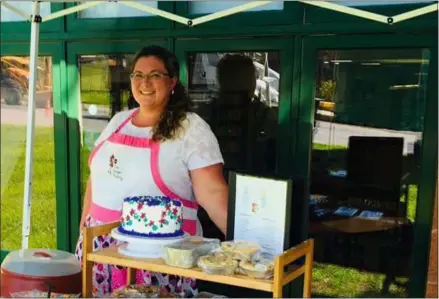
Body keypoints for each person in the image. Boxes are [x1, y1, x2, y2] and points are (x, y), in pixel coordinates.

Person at [75, 45, 228, 297]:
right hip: (101, 248)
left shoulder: (190, 128)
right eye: (138, 75)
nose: (144, 82)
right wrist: (83, 234)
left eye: (155, 75)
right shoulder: (118, 121)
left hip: (158, 255)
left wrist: (249, 247)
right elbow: (96, 181)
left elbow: (213, 193)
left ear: (173, 82)